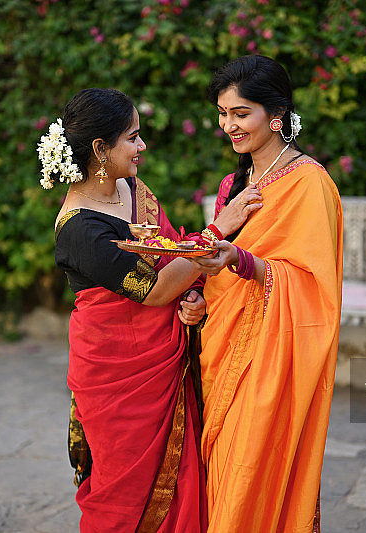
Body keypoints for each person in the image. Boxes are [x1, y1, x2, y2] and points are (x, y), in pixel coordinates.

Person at [40, 88, 260, 532]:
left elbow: (170, 253)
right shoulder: (80, 229)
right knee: (124, 493)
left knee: (182, 479)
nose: (142, 146)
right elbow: (155, 288)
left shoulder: (131, 188)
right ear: (100, 149)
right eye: (132, 138)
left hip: (164, 358)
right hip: (117, 374)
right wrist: (219, 229)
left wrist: (193, 296)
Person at [189, 55, 344, 532]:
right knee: (223, 471)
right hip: (221, 348)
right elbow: (217, 269)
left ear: (276, 115)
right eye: (222, 113)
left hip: (273, 357)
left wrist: (241, 262)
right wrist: (200, 296)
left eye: (241, 113)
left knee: (252, 468)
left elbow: (314, 287)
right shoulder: (232, 185)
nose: (228, 126)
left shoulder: (310, 183)